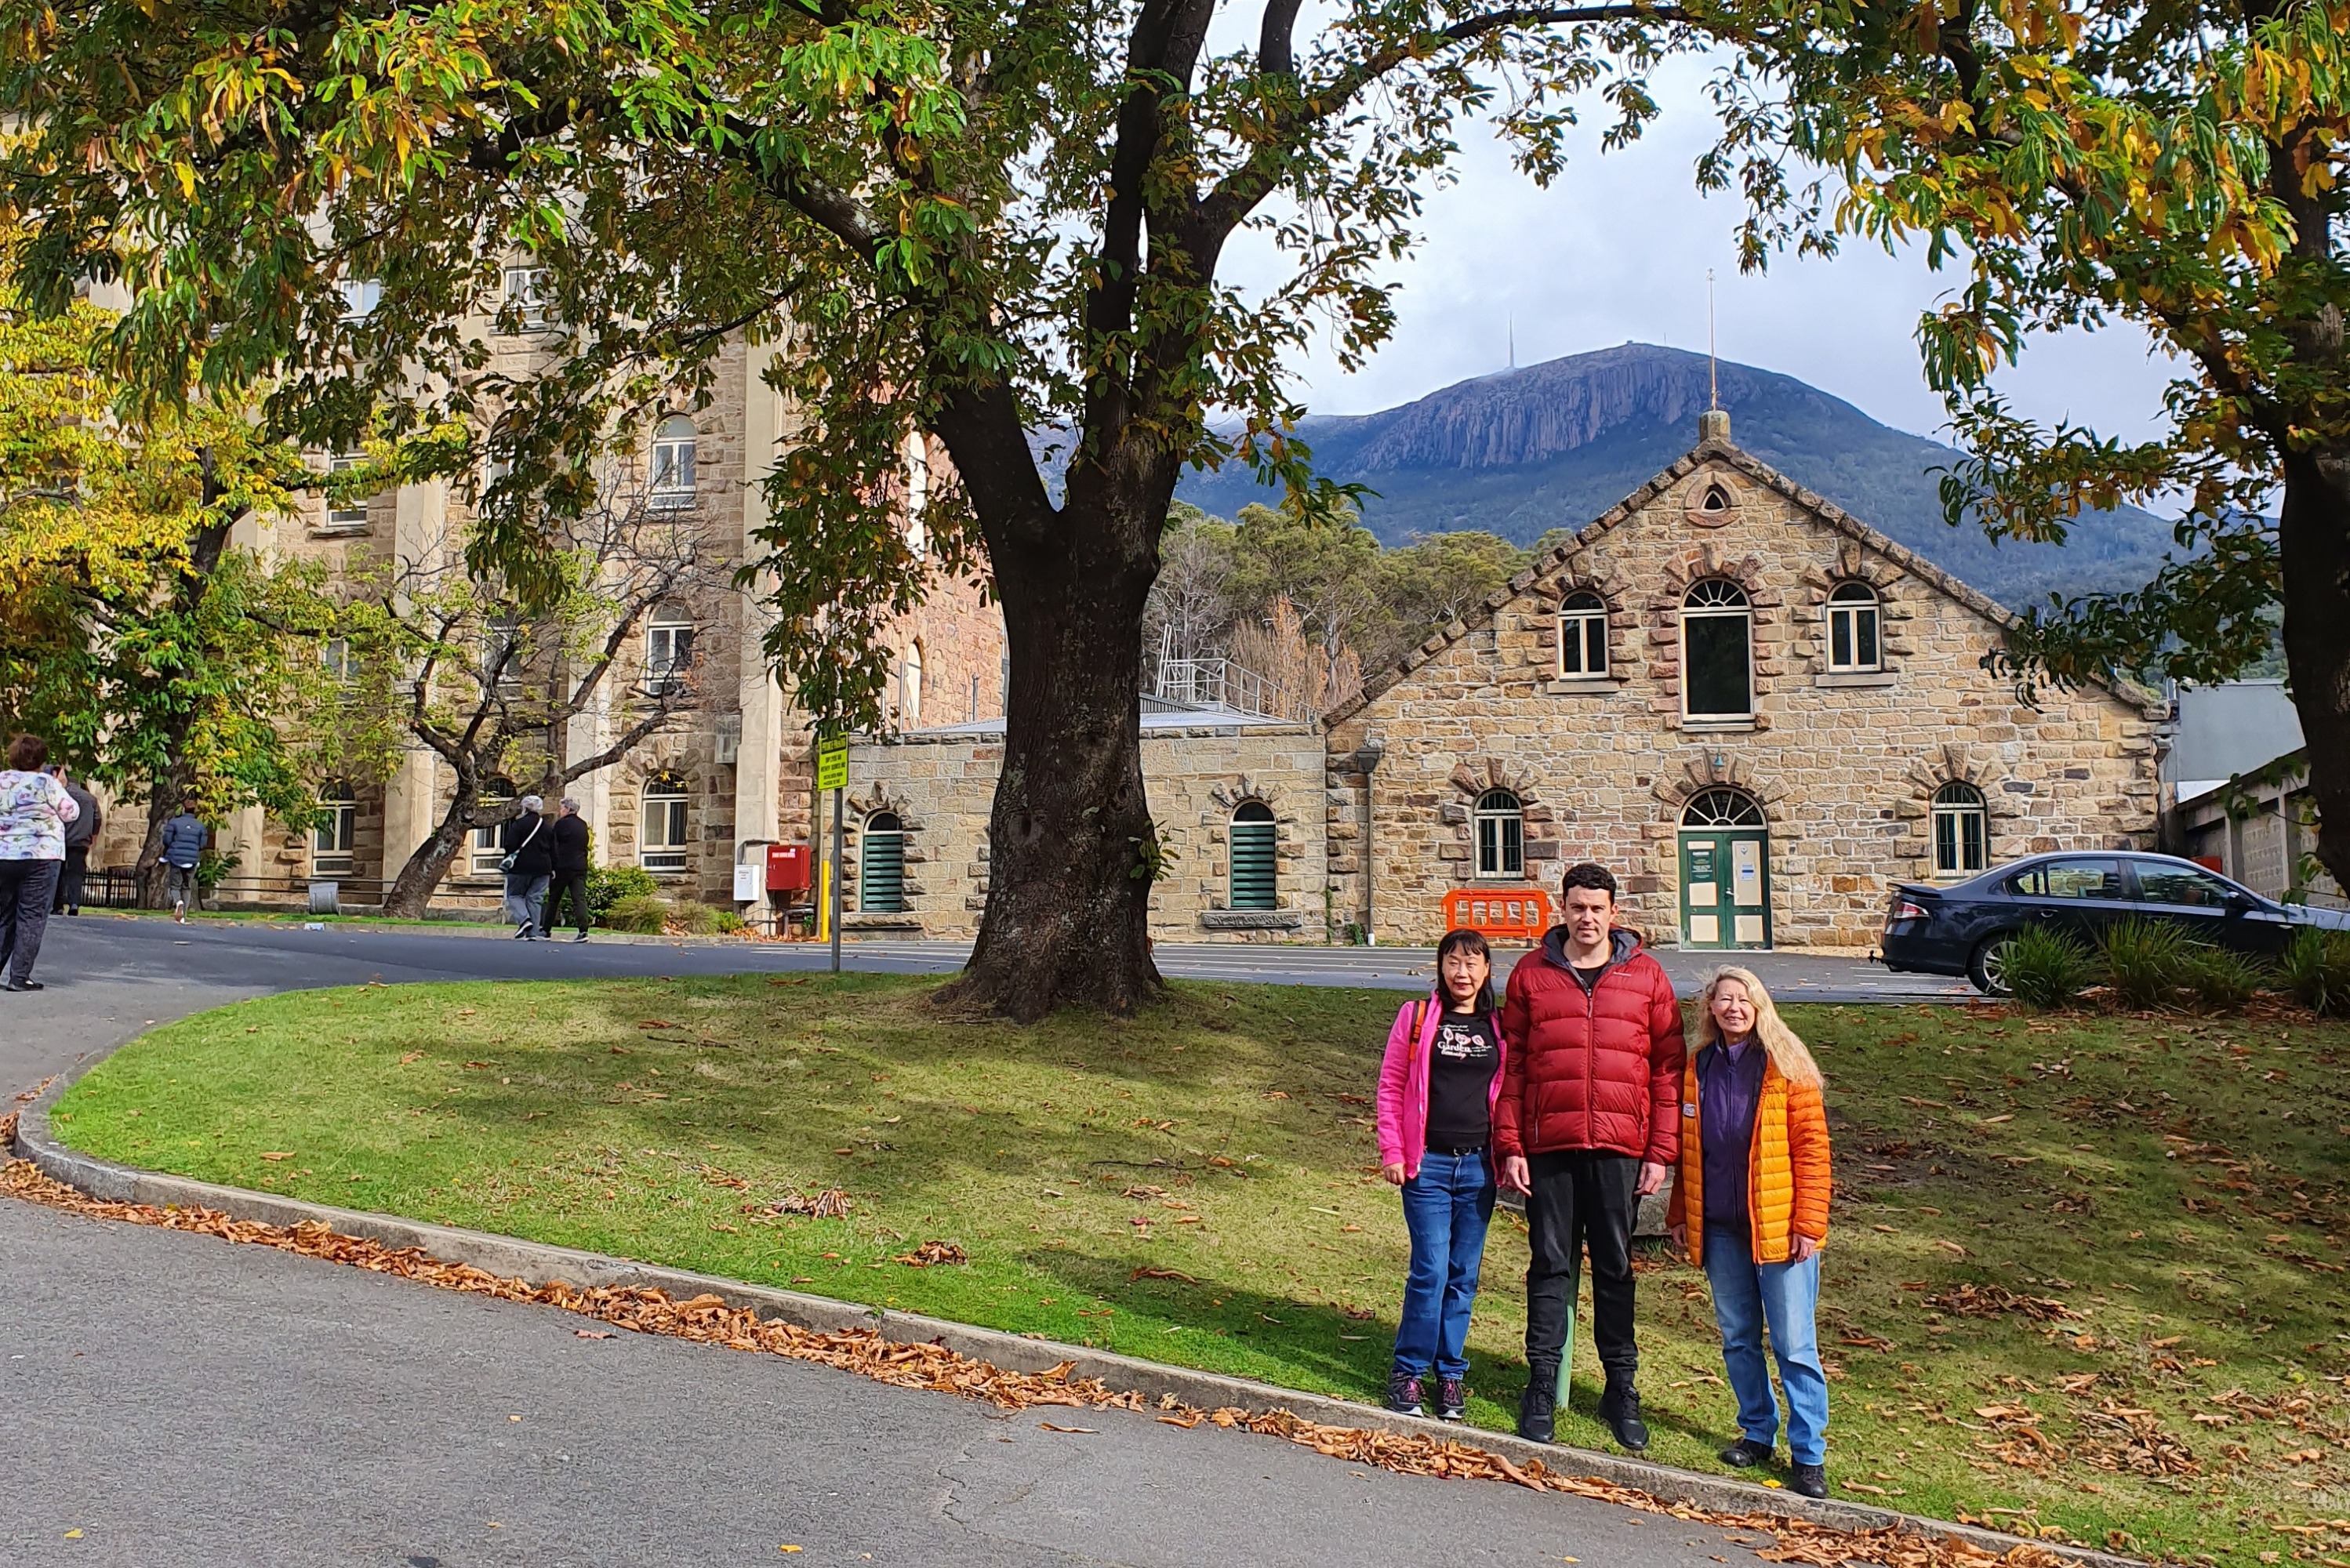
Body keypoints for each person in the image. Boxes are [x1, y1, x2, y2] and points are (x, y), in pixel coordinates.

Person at [1495, 860, 1684, 1452]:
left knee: (1615, 1269)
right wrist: (1509, 1145)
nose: (1586, 918)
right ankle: (1542, 1381)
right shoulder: (1530, 975)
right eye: (1577, 907)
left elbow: (1667, 1071)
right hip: (1548, 1145)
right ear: (1563, 908)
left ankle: (1619, 1388)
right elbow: (1514, 1066)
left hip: (1619, 1149)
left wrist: (1659, 1153)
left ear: (1613, 913)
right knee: (1549, 1265)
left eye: (1596, 908)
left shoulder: (1647, 977)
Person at [1668, 967, 1833, 1499]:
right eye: (1724, 1000)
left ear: (1759, 1006)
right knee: (1738, 1337)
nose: (1733, 1008)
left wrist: (1808, 1223)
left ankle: (1807, 1454)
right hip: (1719, 1226)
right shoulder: (1697, 1067)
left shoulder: (1786, 1066)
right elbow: (1689, 1149)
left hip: (1781, 1229)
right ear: (1709, 1009)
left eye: (1743, 1000)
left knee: (1792, 1344)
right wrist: (1679, 1213)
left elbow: (1813, 1152)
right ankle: (1756, 1431)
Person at [1375, 928, 1509, 1422]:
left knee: (1463, 1277)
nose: (1462, 973)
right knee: (1430, 1271)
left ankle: (1450, 1374)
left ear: (1487, 970)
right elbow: (1391, 1086)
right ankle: (1409, 1370)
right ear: (1441, 967)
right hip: (1426, 1165)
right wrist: (1393, 1149)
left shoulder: (1499, 1026)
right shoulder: (1415, 1020)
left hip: (1479, 1168)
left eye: (1472, 963)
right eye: (1453, 962)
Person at [0, 733, 79, 993]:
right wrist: (62, 785)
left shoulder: (2, 780)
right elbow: (71, 813)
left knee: (5, 915)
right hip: (42, 854)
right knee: (32, 916)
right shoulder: (47, 783)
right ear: (42, 759)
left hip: (6, 853)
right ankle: (20, 976)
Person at [500, 796, 553, 938]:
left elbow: (510, 844)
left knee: (514, 895)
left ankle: (524, 920)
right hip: (543, 868)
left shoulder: (519, 825)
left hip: (520, 867)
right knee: (535, 898)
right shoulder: (547, 827)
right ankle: (533, 932)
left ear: (525, 808)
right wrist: (553, 868)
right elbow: (554, 849)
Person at [51, 764, 100, 916]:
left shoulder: (62, 796)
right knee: (76, 874)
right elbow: (97, 820)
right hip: (81, 842)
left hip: (62, 840)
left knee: (59, 874)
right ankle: (74, 903)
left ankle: (57, 905)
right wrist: (92, 838)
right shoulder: (91, 799)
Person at [542, 797, 592, 942]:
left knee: (554, 899)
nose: (560, 810)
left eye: (562, 808)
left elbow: (553, 845)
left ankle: (546, 930)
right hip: (580, 866)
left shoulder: (561, 824)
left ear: (568, 809)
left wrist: (551, 865)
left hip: (562, 867)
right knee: (579, 899)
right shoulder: (582, 825)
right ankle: (583, 931)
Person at [158, 804, 208, 922]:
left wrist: (173, 849)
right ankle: (183, 917)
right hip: (192, 860)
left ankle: (178, 902)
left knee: (175, 886)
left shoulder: (174, 823)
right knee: (187, 887)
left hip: (176, 858)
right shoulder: (201, 826)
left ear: (183, 809)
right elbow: (203, 844)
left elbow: (167, 840)